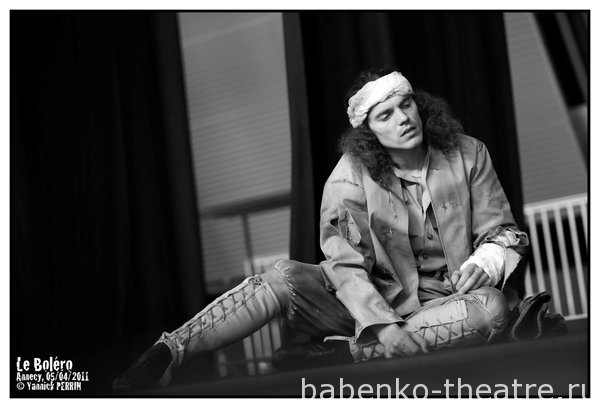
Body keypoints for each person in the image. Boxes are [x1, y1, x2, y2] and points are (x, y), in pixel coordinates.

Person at [112, 68, 529, 391]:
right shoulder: (349, 176)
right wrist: (383, 327)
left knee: (492, 308)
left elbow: (503, 231)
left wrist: (487, 261)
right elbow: (344, 264)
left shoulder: (468, 153)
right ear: (369, 132)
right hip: (366, 305)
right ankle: (168, 352)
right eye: (386, 115)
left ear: (420, 106)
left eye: (406, 105)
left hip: (444, 304)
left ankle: (344, 355)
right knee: (281, 277)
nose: (403, 119)